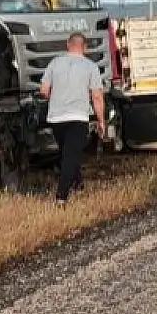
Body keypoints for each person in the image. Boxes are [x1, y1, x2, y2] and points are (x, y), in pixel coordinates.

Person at [38, 33, 106, 203]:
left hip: (56, 118)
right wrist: (101, 121)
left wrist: (56, 95)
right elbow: (96, 97)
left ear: (68, 44)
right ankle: (61, 197)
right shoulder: (91, 67)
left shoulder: (54, 63)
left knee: (67, 153)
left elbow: (44, 91)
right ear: (85, 47)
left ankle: (78, 184)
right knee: (70, 156)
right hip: (78, 117)